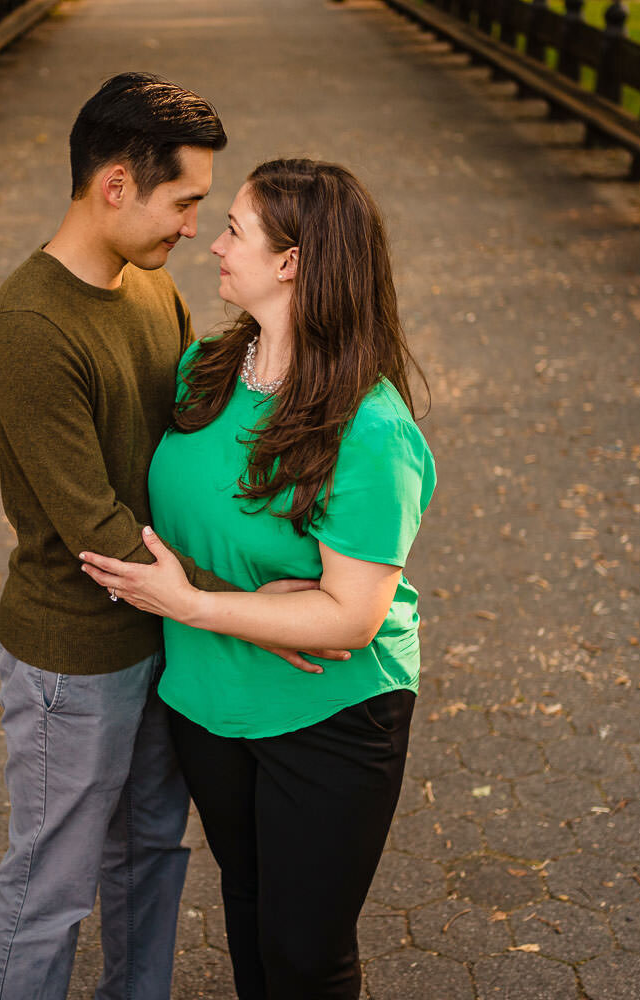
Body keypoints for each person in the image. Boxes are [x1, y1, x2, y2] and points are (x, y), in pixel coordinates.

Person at [80, 158, 437, 1000]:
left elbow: (351, 619)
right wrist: (243, 603)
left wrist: (199, 605)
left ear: (293, 263)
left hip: (329, 714)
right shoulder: (204, 371)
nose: (212, 244)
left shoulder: (371, 427)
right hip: (209, 703)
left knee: (305, 952)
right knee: (248, 911)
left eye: (235, 228)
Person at [0, 72, 230, 1000]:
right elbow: (98, 530)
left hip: (166, 630)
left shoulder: (151, 291)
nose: (194, 227)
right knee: (51, 887)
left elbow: (201, 433)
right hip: (74, 659)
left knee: (153, 852)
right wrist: (236, 603)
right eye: (185, 201)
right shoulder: (32, 323)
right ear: (115, 184)